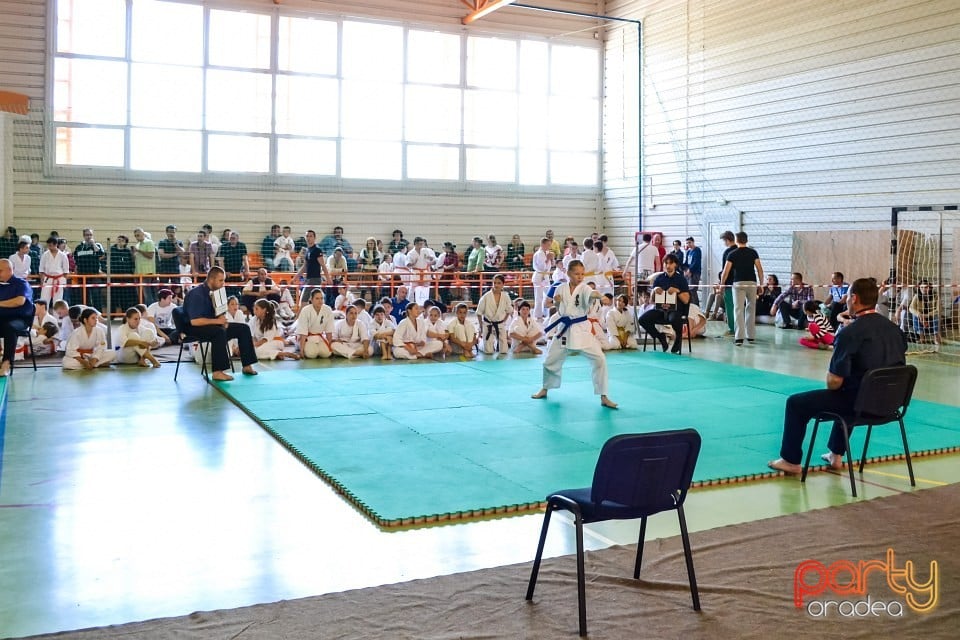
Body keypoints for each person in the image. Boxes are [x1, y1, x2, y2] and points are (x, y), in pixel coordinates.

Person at [768, 278, 907, 474]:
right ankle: (836, 454)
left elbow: (833, 382)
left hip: (860, 404)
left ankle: (790, 460)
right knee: (855, 389)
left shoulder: (850, 333)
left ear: (854, 298)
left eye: (847, 296)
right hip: (892, 403)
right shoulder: (896, 331)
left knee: (797, 403)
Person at [531, 260, 617, 409]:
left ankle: (604, 396)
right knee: (550, 361)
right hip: (564, 329)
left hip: (582, 330)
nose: (580, 276)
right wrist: (557, 303)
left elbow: (592, 293)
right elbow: (557, 308)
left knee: (600, 359)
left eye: (582, 274)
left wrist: (600, 296)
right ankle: (545, 389)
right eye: (577, 274)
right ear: (568, 273)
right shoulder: (560, 288)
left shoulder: (584, 288)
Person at [182, 267, 259, 381]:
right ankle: (217, 372)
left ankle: (247, 365)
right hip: (193, 328)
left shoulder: (216, 293)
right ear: (211, 279)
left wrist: (223, 320)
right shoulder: (196, 294)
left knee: (243, 328)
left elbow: (219, 314)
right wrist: (218, 322)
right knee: (219, 332)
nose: (223, 283)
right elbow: (195, 321)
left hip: (210, 325)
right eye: (221, 280)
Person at [638, 254, 690, 354]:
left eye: (670, 263)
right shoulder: (659, 278)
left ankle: (678, 338)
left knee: (674, 319)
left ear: (675, 265)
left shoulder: (681, 279)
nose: (668, 265)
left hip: (675, 310)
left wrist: (677, 291)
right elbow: (652, 301)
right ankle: (660, 336)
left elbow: (686, 300)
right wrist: (654, 290)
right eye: (666, 263)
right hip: (660, 310)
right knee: (643, 319)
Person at [720, 231, 764, 346]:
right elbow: (759, 269)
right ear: (747, 240)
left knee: (738, 310)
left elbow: (725, 271)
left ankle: (739, 338)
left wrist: (721, 284)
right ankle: (751, 336)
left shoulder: (732, 254)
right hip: (752, 283)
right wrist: (761, 284)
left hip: (738, 283)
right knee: (751, 309)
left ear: (737, 240)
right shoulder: (753, 252)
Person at [0, 258, 35, 377]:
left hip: (20, 319)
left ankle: (6, 363)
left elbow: (20, 301)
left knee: (10, 328)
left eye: (0, 271)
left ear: (9, 270)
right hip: (2, 318)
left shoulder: (21, 283)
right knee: (5, 325)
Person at [476, 274, 513, 355]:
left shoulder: (505, 296)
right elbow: (479, 312)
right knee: (489, 351)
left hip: (500, 324)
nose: (496, 285)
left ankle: (495, 343)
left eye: (499, 283)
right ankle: (480, 343)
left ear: (503, 284)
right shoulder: (486, 296)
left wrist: (504, 320)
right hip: (488, 324)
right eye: (494, 283)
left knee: (503, 351)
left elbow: (509, 310)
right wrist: (481, 326)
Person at [295, 288, 335, 359]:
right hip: (307, 337)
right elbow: (303, 331)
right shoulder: (306, 310)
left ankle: (317, 348)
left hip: (319, 337)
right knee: (311, 354)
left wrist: (330, 345)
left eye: (321, 298)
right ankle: (299, 346)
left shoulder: (327, 309)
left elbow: (329, 330)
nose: (320, 301)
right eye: (317, 298)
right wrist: (301, 351)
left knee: (326, 353)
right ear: (311, 299)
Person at [73, 228, 106, 312]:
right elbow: (76, 259)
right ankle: (85, 313)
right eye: (87, 235)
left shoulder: (97, 245)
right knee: (84, 295)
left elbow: (101, 255)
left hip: (94, 275)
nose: (89, 237)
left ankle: (98, 314)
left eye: (90, 235)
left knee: (96, 295)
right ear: (83, 236)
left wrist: (94, 245)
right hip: (82, 275)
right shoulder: (79, 247)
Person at [295, 230, 329, 306]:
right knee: (309, 301)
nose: (308, 238)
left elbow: (323, 265)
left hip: (315, 279)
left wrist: (328, 278)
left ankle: (300, 318)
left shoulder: (317, 250)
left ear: (314, 238)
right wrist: (295, 278)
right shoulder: (308, 251)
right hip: (308, 279)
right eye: (307, 236)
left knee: (304, 301)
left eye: (310, 236)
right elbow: (304, 266)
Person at [909, 278, 941, 350]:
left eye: (926, 287)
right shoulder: (917, 296)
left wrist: (926, 315)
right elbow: (911, 308)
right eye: (921, 287)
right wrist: (919, 314)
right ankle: (921, 337)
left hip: (931, 316)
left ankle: (936, 337)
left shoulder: (935, 296)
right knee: (915, 316)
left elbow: (938, 310)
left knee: (936, 316)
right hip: (921, 317)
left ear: (929, 288)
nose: (923, 289)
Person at [39, 236, 70, 304]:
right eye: (48, 246)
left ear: (56, 245)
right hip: (47, 279)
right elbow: (41, 269)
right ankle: (43, 314)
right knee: (44, 299)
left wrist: (64, 283)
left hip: (59, 279)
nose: (49, 247)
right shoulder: (45, 255)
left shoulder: (63, 255)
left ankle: (57, 315)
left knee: (58, 301)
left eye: (50, 245)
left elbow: (66, 270)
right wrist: (42, 281)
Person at [531, 237, 555, 321]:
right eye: (548, 244)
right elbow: (541, 267)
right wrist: (548, 258)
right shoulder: (539, 254)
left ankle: (547, 312)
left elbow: (551, 265)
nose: (549, 246)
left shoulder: (547, 252)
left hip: (545, 277)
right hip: (539, 276)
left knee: (548, 295)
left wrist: (551, 259)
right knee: (539, 296)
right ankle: (538, 315)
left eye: (549, 244)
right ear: (542, 244)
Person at [682, 237, 702, 306]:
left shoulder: (697, 250)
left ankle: (696, 307)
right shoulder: (688, 252)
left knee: (693, 290)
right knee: (688, 291)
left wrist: (690, 270)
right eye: (687, 243)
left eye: (690, 242)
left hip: (695, 273)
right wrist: (685, 270)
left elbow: (696, 262)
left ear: (693, 242)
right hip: (688, 273)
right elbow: (686, 263)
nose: (688, 244)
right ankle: (691, 306)